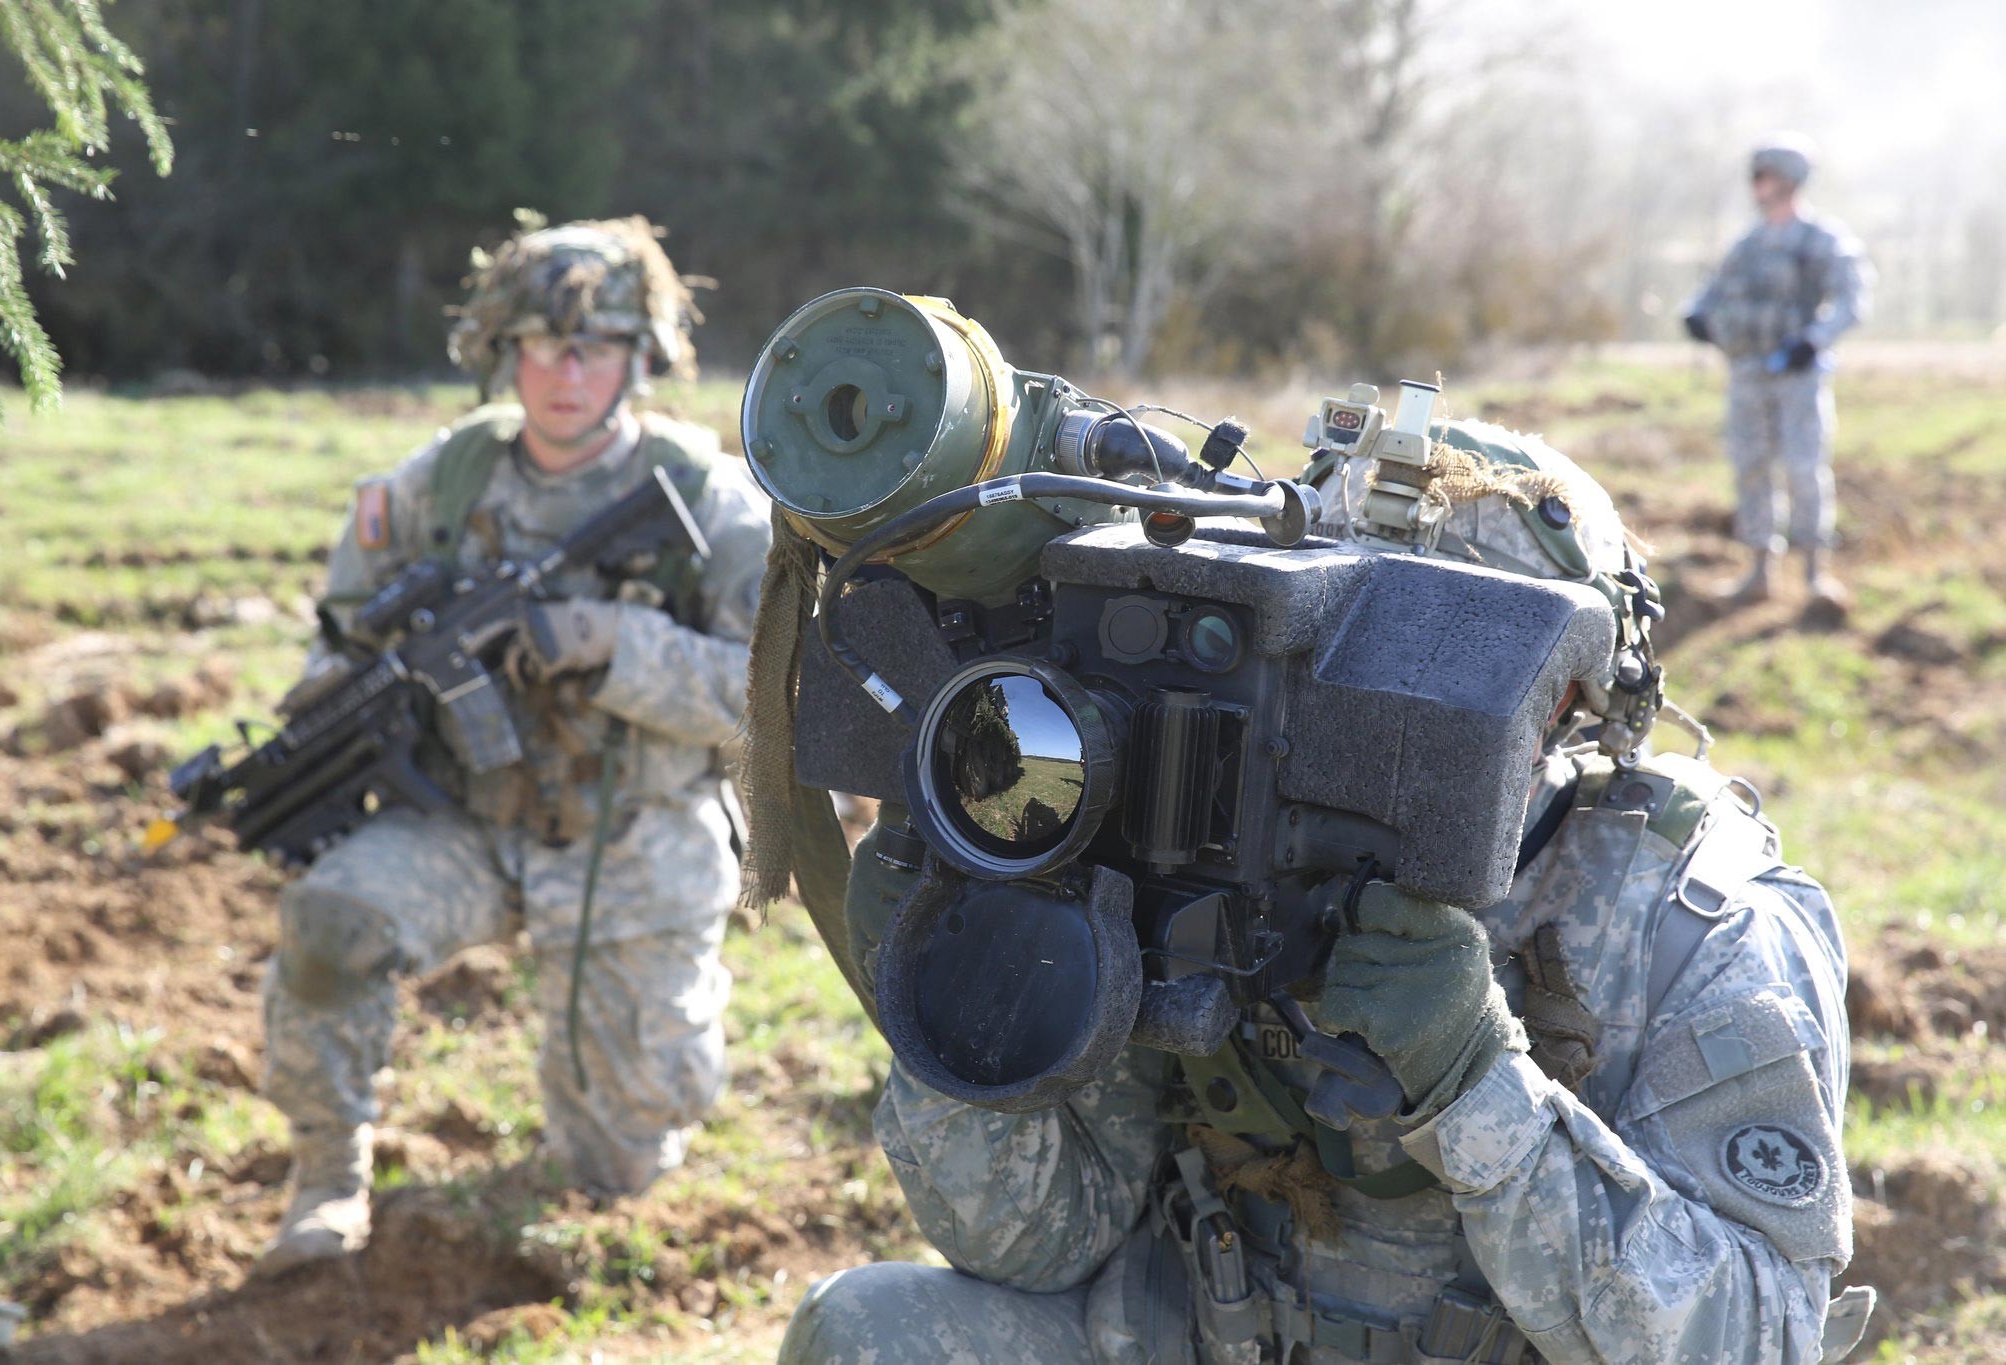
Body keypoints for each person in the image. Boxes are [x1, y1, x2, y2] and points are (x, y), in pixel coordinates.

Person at [778, 423, 1872, 1363]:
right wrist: (957, 996)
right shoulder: (1185, 832)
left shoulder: (1689, 918)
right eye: (1334, 653)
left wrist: (1475, 1081)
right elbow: (1035, 1242)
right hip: (1210, 1333)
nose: (1376, 716)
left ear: (1567, 700)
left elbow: (1755, 1335)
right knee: (869, 1330)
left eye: (1449, 677)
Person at [253, 216, 771, 1278]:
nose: (565, 373)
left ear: (641, 356)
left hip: (634, 837)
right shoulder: (440, 485)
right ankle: (326, 1176)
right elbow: (338, 637)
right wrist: (338, 699)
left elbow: (775, 707)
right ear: (503, 351)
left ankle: (611, 1134)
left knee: (616, 1166)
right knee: (329, 923)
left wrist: (614, 644)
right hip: (466, 821)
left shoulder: (712, 504)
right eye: (541, 346)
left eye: (592, 347)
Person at [1684, 133, 1873, 609]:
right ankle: (1759, 569)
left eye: (1762, 176)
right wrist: (1698, 317)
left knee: (1804, 467)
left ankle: (1814, 573)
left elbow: (1853, 299)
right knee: (1750, 467)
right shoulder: (1747, 243)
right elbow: (1713, 290)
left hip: (1796, 374)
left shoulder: (1821, 241)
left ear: (1787, 182)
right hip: (1748, 371)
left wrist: (1814, 341)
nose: (1755, 186)